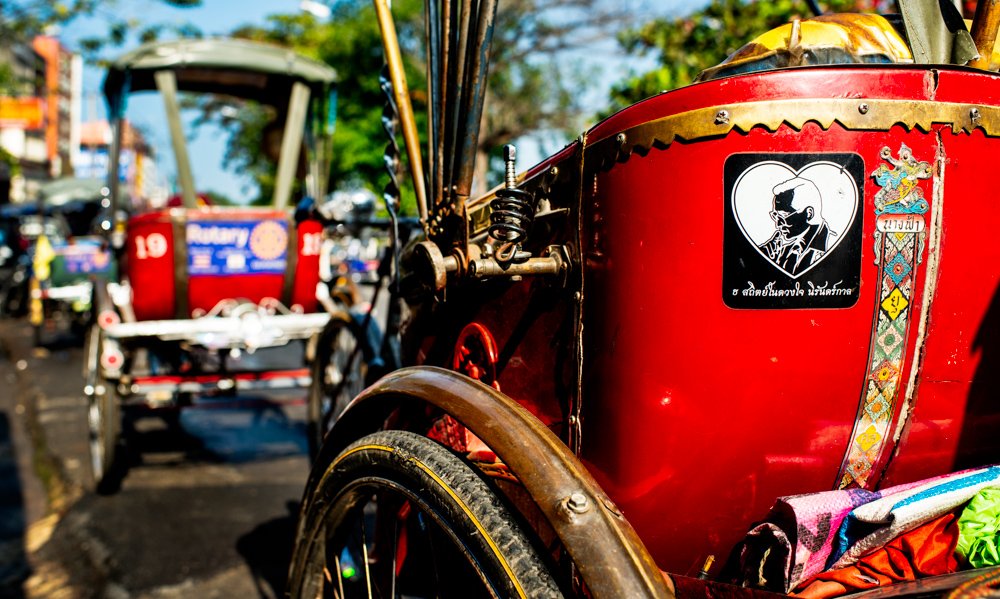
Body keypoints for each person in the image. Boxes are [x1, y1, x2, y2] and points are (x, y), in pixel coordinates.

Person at [758, 177, 835, 275]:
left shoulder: (830, 245)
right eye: (775, 216)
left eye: (784, 217)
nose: (778, 225)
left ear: (809, 213)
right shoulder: (778, 241)